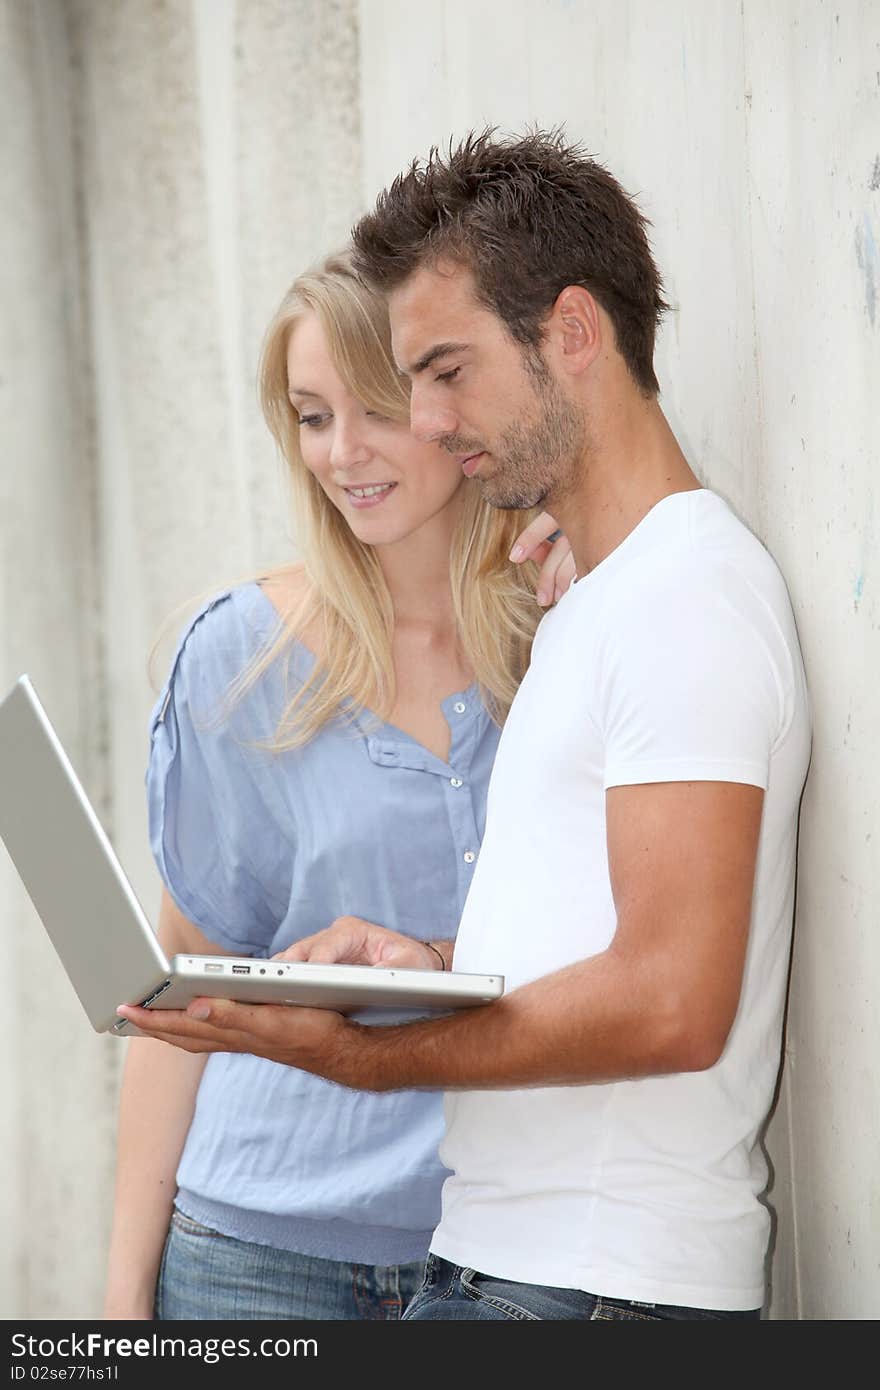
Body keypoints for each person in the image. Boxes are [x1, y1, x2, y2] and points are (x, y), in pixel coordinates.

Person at [118, 130, 812, 1321]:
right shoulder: (599, 597)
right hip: (501, 1265)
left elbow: (670, 1000)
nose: (426, 423)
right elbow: (602, 940)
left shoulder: (677, 601)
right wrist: (424, 966)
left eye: (443, 373)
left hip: (588, 1284)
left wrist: (373, 1053)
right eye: (403, 387)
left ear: (573, 333)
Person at [103, 246, 568, 1321]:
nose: (343, 451)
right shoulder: (239, 660)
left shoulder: (564, 630)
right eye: (312, 416)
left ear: (450, 406)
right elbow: (180, 1009)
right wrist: (120, 1305)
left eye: (373, 407)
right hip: (252, 1256)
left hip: (508, 1257)